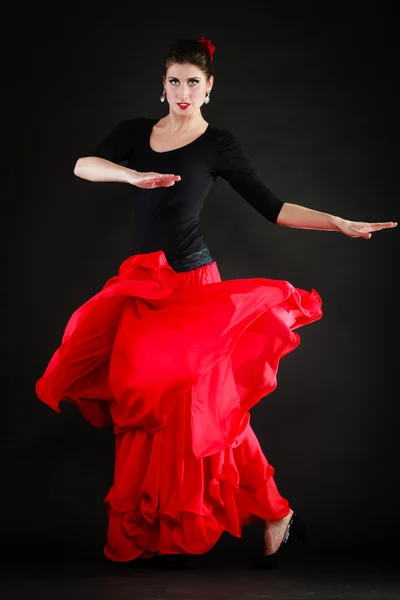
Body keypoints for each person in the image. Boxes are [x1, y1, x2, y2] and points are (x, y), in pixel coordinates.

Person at [35, 36, 397, 568]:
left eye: (193, 82)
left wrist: (337, 223)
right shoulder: (136, 135)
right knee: (142, 403)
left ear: (209, 88)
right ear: (163, 85)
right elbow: (83, 166)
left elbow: (273, 208)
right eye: (175, 80)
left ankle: (274, 510)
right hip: (144, 287)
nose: (184, 91)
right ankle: (141, 527)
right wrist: (131, 174)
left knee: (211, 408)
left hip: (195, 290)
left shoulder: (217, 145)